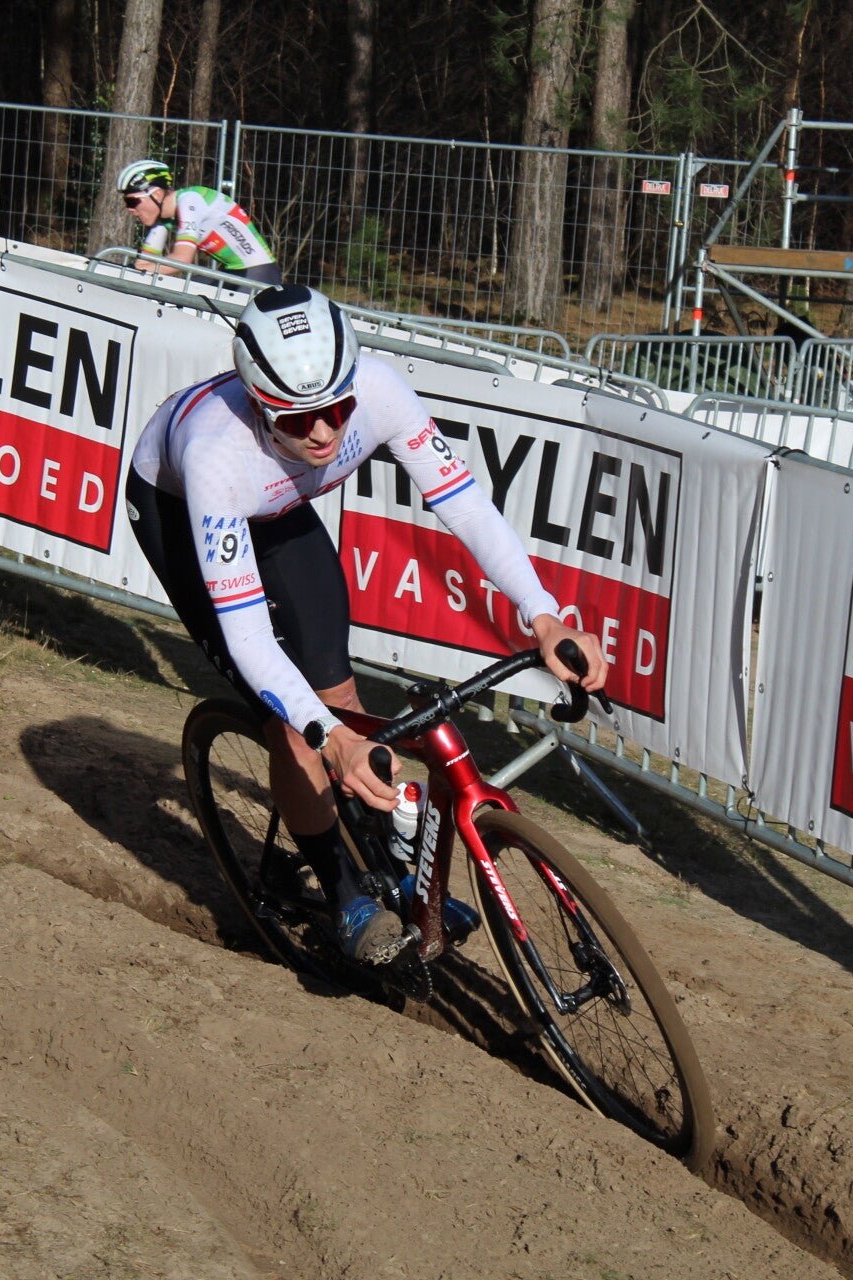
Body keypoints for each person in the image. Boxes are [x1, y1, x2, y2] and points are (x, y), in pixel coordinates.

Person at [126, 284, 606, 965]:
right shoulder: (216, 456)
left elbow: (466, 506)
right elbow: (250, 639)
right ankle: (344, 892)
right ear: (259, 405)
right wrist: (327, 738)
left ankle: (392, 874)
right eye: (298, 420)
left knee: (339, 692)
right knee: (296, 723)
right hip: (181, 508)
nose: (324, 433)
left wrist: (546, 617)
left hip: (277, 505)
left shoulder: (377, 390)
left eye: (336, 410)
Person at [116, 159, 283, 286]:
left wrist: (138, 270)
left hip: (259, 274)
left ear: (157, 194)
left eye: (132, 202)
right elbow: (143, 263)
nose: (130, 209)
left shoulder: (190, 200)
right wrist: (136, 271)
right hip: (234, 273)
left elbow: (182, 259)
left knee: (180, 296)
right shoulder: (164, 218)